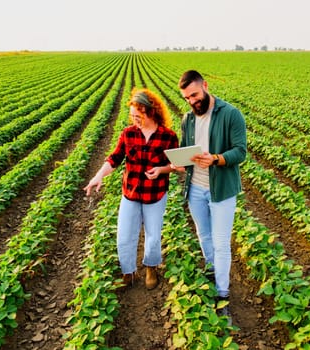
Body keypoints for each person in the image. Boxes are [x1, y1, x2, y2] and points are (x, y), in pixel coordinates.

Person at [83, 88, 179, 290]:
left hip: (156, 193)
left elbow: (176, 164)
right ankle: (128, 272)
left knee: (153, 235)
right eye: (132, 116)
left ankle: (151, 267)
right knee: (124, 235)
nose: (135, 120)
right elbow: (114, 158)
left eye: (139, 116)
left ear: (150, 112)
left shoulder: (168, 136)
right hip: (131, 193)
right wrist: (98, 176)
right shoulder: (128, 134)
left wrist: (162, 170)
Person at [177, 70, 247, 324]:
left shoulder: (230, 114)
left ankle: (222, 293)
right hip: (195, 188)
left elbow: (240, 152)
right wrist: (178, 162)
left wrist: (216, 159)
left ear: (205, 86)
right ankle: (211, 270)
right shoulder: (188, 119)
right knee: (203, 235)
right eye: (187, 98)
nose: (192, 101)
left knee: (220, 242)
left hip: (222, 190)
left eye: (194, 95)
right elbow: (186, 149)